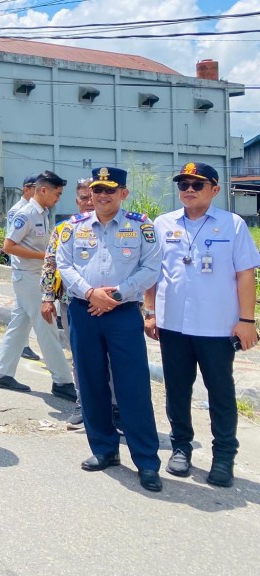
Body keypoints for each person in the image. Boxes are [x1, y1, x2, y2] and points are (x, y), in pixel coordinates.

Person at [144, 162, 260, 488]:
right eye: (183, 184)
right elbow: (152, 272)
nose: (189, 189)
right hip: (173, 324)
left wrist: (247, 321)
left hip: (217, 326)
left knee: (220, 393)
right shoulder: (164, 224)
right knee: (177, 390)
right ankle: (181, 447)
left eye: (197, 184)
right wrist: (149, 311)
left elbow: (246, 274)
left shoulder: (232, 225)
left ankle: (224, 456)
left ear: (215, 189)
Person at [56, 166, 163, 492]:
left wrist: (116, 295)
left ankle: (146, 461)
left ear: (123, 194)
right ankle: (104, 450)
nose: (102, 196)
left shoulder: (141, 226)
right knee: (91, 383)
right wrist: (91, 293)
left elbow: (152, 268)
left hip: (122, 314)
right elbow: (64, 265)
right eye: (98, 190)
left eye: (110, 190)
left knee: (133, 387)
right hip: (84, 310)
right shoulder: (73, 227)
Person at [0, 171, 77, 401]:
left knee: (19, 325)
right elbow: (9, 246)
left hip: (34, 276)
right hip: (28, 277)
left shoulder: (43, 212)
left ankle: (2, 373)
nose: (58, 198)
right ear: (42, 190)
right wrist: (46, 256)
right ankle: (62, 381)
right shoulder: (26, 213)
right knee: (46, 326)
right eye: (56, 194)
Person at [41, 178, 95, 427]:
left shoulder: (122, 227)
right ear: (77, 201)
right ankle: (84, 405)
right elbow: (50, 263)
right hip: (72, 303)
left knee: (111, 360)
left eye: (94, 196)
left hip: (111, 305)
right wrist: (47, 297)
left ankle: (115, 408)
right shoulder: (64, 228)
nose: (90, 202)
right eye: (84, 197)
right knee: (80, 357)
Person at [8, 175, 41, 361]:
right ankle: (24, 345)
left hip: (32, 269)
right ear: (26, 189)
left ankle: (20, 347)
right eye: (34, 188)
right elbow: (12, 242)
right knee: (30, 312)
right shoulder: (19, 211)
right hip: (23, 268)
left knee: (21, 311)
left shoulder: (36, 211)